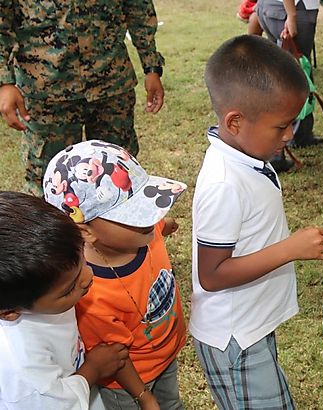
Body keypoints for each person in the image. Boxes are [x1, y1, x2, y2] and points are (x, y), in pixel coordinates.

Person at [191, 35, 323, 409]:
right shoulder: (223, 183)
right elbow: (213, 274)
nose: (289, 136)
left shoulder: (246, 155)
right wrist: (289, 250)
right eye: (282, 126)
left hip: (251, 325)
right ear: (235, 121)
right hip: (234, 336)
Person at [42, 140, 188, 409]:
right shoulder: (91, 292)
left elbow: (157, 225)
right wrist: (144, 397)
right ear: (86, 231)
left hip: (166, 355)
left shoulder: (143, 232)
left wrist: (164, 225)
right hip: (128, 385)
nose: (151, 216)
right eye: (134, 214)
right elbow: (115, 354)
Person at [0, 0, 166, 196]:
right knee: (49, 181)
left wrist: (151, 67)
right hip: (47, 91)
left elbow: (139, 10)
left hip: (111, 83)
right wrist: (4, 82)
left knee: (120, 173)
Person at [0, 191, 129, 409]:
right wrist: (92, 371)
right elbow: (54, 404)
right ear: (9, 312)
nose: (89, 277)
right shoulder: (24, 372)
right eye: (69, 289)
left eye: (82, 259)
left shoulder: (39, 291)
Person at [258, 0, 323, 152]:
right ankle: (286, 137)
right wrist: (292, 15)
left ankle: (300, 133)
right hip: (292, 8)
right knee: (293, 75)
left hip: (273, 7)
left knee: (289, 71)